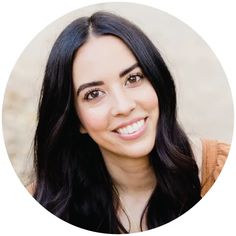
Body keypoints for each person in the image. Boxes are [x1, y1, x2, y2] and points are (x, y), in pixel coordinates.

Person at [27, 11, 229, 233]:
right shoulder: (40, 207)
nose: (123, 107)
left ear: (157, 82)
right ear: (76, 120)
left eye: (133, 79)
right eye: (94, 94)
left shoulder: (221, 173)